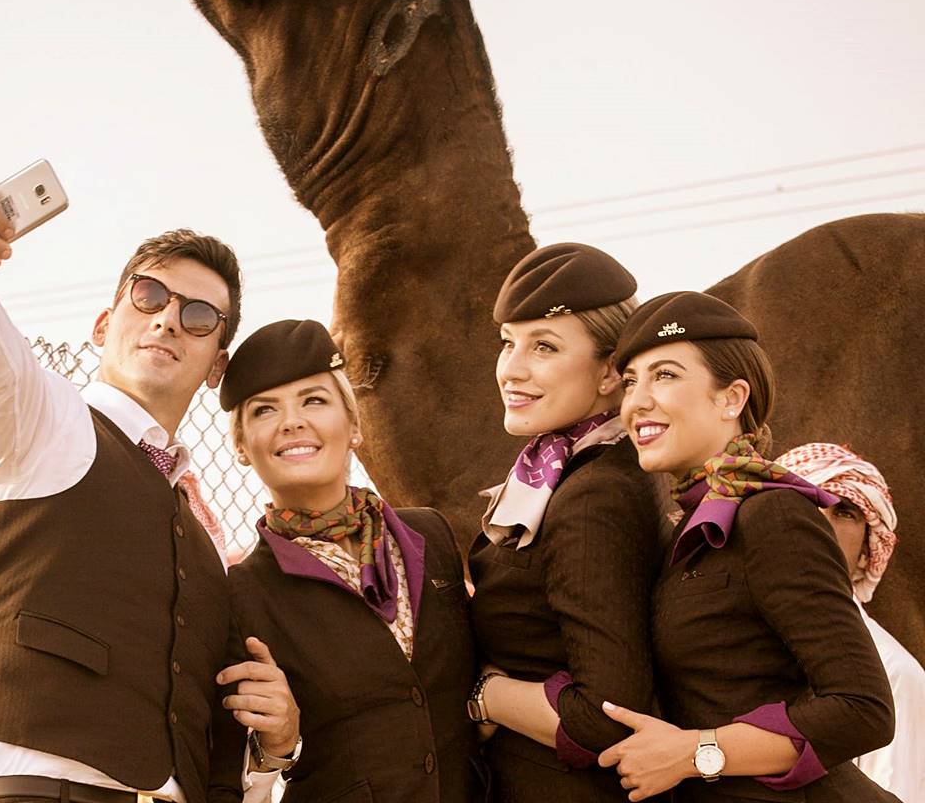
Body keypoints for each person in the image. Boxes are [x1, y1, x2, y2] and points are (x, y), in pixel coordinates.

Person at [0, 176, 241, 803]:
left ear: (216, 366)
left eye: (199, 316)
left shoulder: (207, 540)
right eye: (149, 295)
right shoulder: (40, 417)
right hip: (32, 787)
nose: (168, 320)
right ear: (103, 325)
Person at [599, 291, 898, 802]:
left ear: (731, 398)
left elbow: (862, 709)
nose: (637, 402)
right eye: (630, 381)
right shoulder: (689, 524)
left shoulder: (772, 514)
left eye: (664, 375)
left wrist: (695, 752)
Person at [208, 319, 484, 803]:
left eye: (314, 400)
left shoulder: (431, 535)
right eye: (265, 410)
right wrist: (277, 745)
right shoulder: (240, 594)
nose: (292, 422)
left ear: (354, 426)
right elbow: (226, 779)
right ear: (242, 447)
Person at [466, 243, 670, 802]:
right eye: (508, 343)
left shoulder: (594, 494)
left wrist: (484, 695)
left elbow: (606, 714)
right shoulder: (579, 468)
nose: (512, 369)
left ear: (609, 372)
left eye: (544, 346)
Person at [779, 442, 925, 802]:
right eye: (805, 505)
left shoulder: (893, 674)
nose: (820, 523)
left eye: (844, 512)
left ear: (866, 554)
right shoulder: (729, 641)